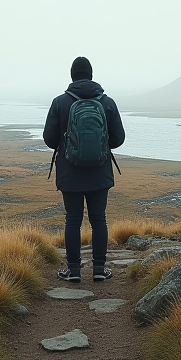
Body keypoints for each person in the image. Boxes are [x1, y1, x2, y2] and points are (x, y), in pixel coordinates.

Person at [43, 56, 126, 282]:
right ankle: (99, 270)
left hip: (70, 172)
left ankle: (74, 270)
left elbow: (49, 139)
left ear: (72, 76)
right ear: (91, 75)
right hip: (100, 172)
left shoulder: (60, 102)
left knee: (73, 220)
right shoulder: (107, 103)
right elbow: (118, 139)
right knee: (99, 219)